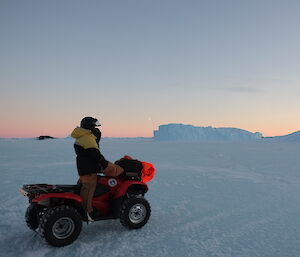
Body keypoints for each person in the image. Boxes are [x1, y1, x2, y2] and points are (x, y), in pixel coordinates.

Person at [71, 116, 123, 221]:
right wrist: (104, 164)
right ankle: (88, 212)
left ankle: (79, 206)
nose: (96, 128)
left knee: (82, 186)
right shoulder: (87, 137)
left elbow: (91, 152)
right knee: (89, 188)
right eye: (94, 126)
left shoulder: (83, 136)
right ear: (90, 126)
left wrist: (97, 139)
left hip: (85, 166)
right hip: (88, 168)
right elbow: (95, 154)